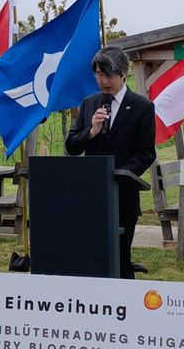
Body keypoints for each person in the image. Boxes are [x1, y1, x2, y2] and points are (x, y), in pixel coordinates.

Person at [65, 46, 156, 279]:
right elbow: (72, 146)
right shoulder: (88, 103)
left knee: (120, 255)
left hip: (123, 195)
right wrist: (92, 131)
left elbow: (146, 153)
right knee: (91, 254)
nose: (103, 81)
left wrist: (120, 174)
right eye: (98, 75)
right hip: (91, 194)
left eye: (109, 75)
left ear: (123, 73)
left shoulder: (142, 107)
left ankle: (124, 304)